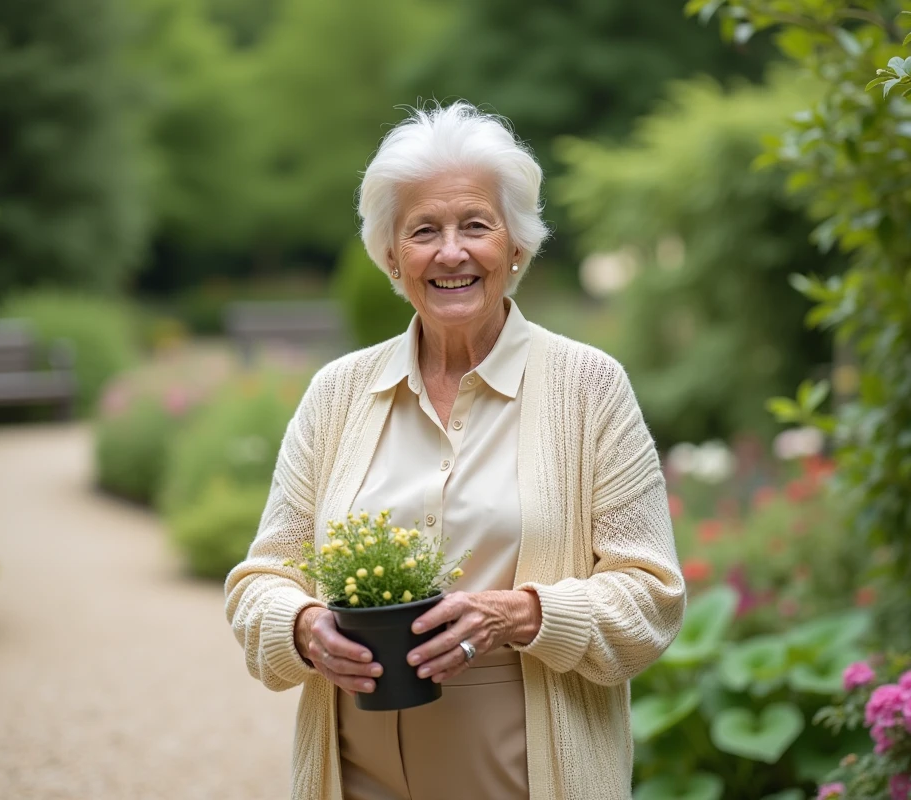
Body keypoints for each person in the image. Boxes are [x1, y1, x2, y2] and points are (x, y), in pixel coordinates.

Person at [224, 101, 686, 800]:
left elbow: (651, 597)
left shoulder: (589, 387)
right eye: (423, 231)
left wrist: (519, 615)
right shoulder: (336, 394)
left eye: (476, 225)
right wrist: (304, 627)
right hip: (355, 780)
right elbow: (261, 580)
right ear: (390, 254)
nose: (451, 252)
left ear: (517, 245)